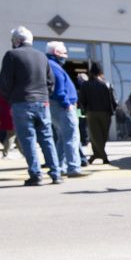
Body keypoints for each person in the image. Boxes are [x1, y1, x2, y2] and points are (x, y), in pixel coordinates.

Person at [0, 26, 62, 186]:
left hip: (21, 102)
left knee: (28, 139)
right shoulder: (42, 57)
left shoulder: (11, 55)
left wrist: (10, 98)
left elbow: (4, 83)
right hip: (42, 102)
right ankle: (56, 174)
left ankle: (36, 174)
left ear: (17, 41)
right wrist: (44, 95)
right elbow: (50, 82)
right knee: (47, 138)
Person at [45, 41, 88, 178]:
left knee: (63, 138)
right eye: (64, 53)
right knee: (71, 137)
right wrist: (66, 103)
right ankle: (73, 167)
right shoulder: (54, 67)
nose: (66, 55)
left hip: (58, 105)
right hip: (63, 106)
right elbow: (59, 88)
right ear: (56, 53)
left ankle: (60, 166)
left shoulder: (51, 65)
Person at [78, 62, 116, 164]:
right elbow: (113, 100)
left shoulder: (85, 85)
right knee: (103, 135)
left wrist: (85, 110)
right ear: (101, 72)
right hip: (106, 113)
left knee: (95, 136)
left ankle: (97, 154)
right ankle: (102, 156)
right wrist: (113, 110)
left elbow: (82, 100)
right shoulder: (107, 84)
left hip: (91, 112)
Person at [0, 88, 18, 158]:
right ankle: (5, 153)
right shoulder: (14, 90)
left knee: (13, 135)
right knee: (12, 135)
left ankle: (6, 153)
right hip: (13, 113)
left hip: (3, 112)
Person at [76, 73, 90, 166]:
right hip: (81, 111)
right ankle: (85, 140)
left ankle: (85, 140)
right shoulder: (85, 88)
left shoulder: (83, 89)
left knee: (83, 127)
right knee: (82, 127)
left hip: (83, 111)